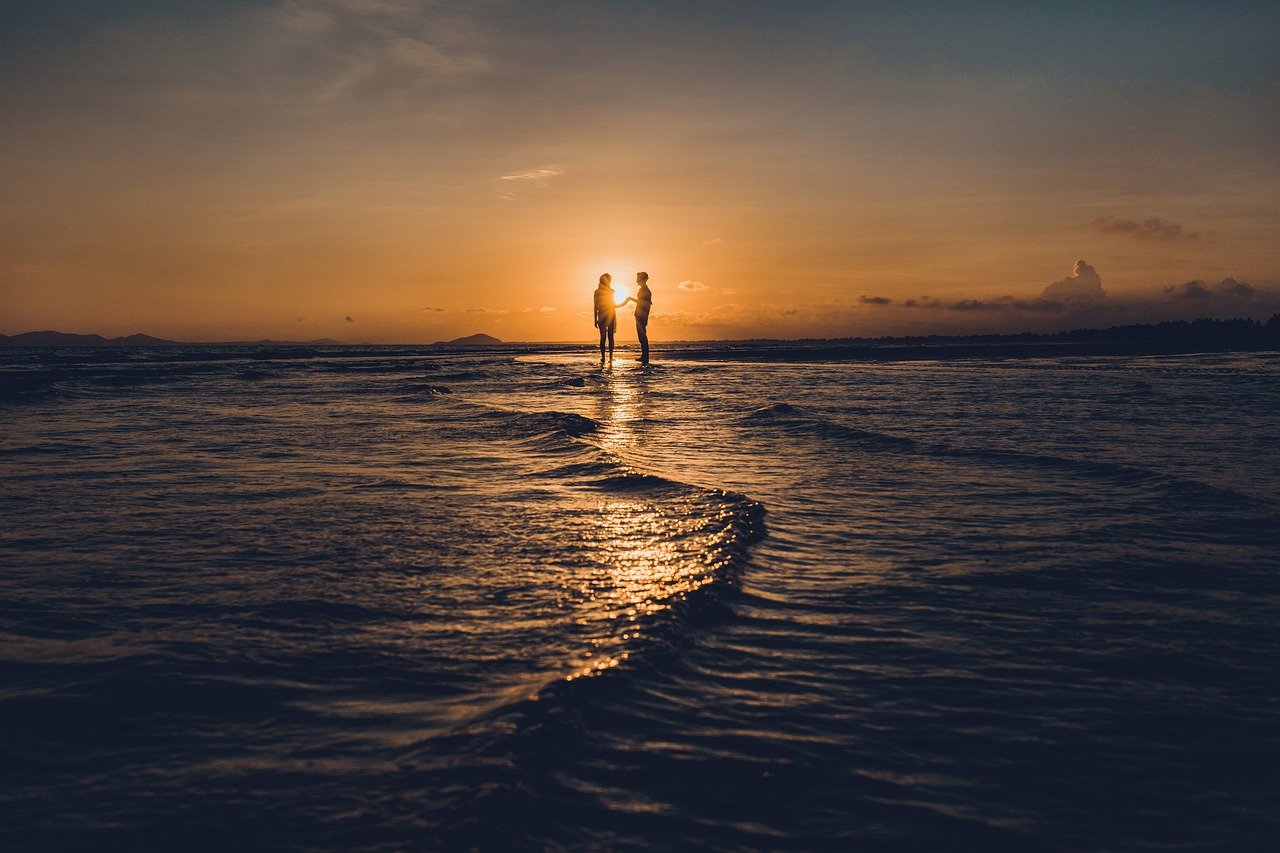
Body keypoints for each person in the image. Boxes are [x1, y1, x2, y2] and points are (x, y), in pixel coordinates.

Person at [618, 271, 653, 364]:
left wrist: (630, 299)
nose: (636, 281)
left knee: (642, 337)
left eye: (638, 279)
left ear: (642, 279)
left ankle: (645, 357)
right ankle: (644, 356)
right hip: (639, 314)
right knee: (641, 337)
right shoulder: (643, 290)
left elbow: (645, 303)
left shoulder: (646, 291)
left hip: (642, 315)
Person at [592, 273, 617, 364]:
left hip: (603, 315)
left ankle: (604, 357)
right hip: (609, 315)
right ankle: (610, 357)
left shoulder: (597, 292)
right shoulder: (611, 291)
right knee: (610, 337)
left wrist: (595, 319)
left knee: (603, 337)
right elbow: (613, 306)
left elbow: (596, 306)